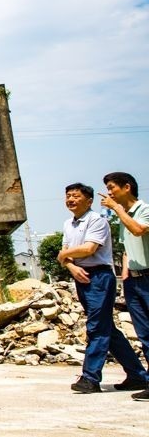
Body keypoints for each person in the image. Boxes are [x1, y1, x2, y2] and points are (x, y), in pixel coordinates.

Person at [57, 180, 149, 393]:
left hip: (99, 277)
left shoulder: (97, 220)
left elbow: (89, 248)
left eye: (76, 196)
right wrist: (70, 265)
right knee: (107, 328)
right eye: (68, 196)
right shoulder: (68, 224)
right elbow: (66, 251)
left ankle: (90, 378)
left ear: (89, 201)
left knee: (97, 327)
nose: (71, 199)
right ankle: (138, 375)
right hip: (81, 277)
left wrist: (65, 256)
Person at [100, 171, 149, 401]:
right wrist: (126, 276)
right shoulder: (124, 215)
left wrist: (117, 209)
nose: (109, 193)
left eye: (112, 188)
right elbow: (127, 247)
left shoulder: (144, 210)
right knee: (144, 334)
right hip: (134, 281)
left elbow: (138, 230)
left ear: (126, 187)